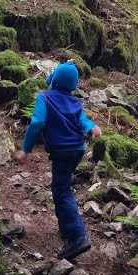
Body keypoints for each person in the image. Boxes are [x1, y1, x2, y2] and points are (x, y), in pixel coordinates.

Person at [14, 61, 101, 261]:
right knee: (62, 186)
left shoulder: (44, 98)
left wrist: (25, 149)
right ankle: (66, 227)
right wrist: (92, 128)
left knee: (62, 192)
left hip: (62, 150)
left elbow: (37, 122)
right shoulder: (75, 102)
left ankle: (77, 236)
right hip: (77, 150)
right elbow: (83, 121)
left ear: (54, 79)